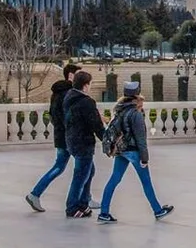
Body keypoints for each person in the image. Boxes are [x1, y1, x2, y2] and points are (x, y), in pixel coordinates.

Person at [97, 82, 173, 224]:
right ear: (137, 96)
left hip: (121, 150)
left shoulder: (119, 110)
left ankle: (104, 212)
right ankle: (157, 210)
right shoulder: (135, 114)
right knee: (146, 182)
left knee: (114, 180)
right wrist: (144, 158)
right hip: (133, 151)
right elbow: (141, 139)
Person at [26, 64, 89, 213]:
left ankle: (35, 194)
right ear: (71, 76)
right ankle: (84, 199)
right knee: (86, 167)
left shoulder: (57, 92)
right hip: (70, 137)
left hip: (61, 135)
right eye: (80, 74)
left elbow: (53, 115)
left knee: (62, 167)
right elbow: (70, 116)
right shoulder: (69, 93)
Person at [62, 70, 105, 219]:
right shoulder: (86, 102)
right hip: (83, 142)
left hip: (71, 140)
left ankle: (83, 203)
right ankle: (72, 207)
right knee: (81, 175)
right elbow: (96, 124)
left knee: (89, 171)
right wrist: (106, 139)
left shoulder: (69, 97)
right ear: (86, 86)